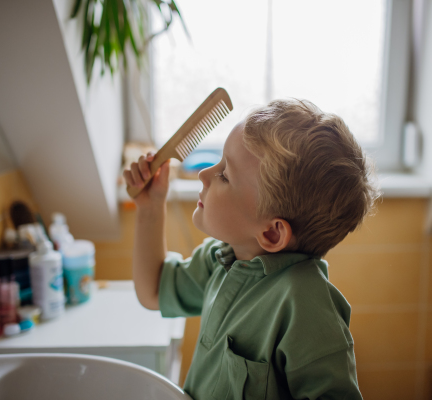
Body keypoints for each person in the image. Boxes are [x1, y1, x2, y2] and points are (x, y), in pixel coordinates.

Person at [123, 99, 380, 400]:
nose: (205, 174)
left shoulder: (306, 306)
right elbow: (153, 291)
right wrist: (151, 207)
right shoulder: (222, 258)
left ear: (271, 232)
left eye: (224, 175)